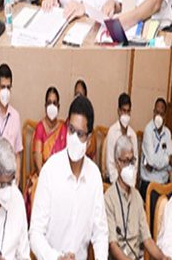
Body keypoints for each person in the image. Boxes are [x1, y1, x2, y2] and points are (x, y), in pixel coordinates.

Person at [29, 95, 109, 260]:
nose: (73, 138)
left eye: (80, 134)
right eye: (71, 130)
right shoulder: (50, 170)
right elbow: (35, 233)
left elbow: (100, 233)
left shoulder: (94, 176)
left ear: (89, 139)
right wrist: (55, 257)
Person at [106, 135, 171, 260]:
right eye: (126, 161)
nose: (130, 166)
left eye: (132, 161)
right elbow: (113, 246)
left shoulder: (137, 197)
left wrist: (163, 257)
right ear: (117, 163)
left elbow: (147, 239)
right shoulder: (109, 198)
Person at [25, 86, 67, 219]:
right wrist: (49, 180)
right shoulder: (40, 128)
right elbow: (38, 165)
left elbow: (66, 160)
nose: (52, 106)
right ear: (45, 106)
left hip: (60, 177)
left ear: (59, 106)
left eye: (55, 103)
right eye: (49, 103)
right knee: (37, 188)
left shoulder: (63, 129)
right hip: (42, 176)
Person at [139, 98, 172, 198]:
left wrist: (156, 165)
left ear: (165, 116)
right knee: (158, 203)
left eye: (161, 114)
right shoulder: (148, 130)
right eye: (157, 113)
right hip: (149, 183)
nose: (158, 117)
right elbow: (151, 161)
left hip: (163, 183)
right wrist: (166, 160)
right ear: (153, 112)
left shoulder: (167, 133)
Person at [105, 93, 139, 183]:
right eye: (124, 111)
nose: (126, 114)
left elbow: (135, 163)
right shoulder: (112, 132)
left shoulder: (133, 135)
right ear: (118, 111)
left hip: (129, 181)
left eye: (128, 111)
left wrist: (131, 182)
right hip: (114, 180)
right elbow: (110, 163)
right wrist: (118, 184)